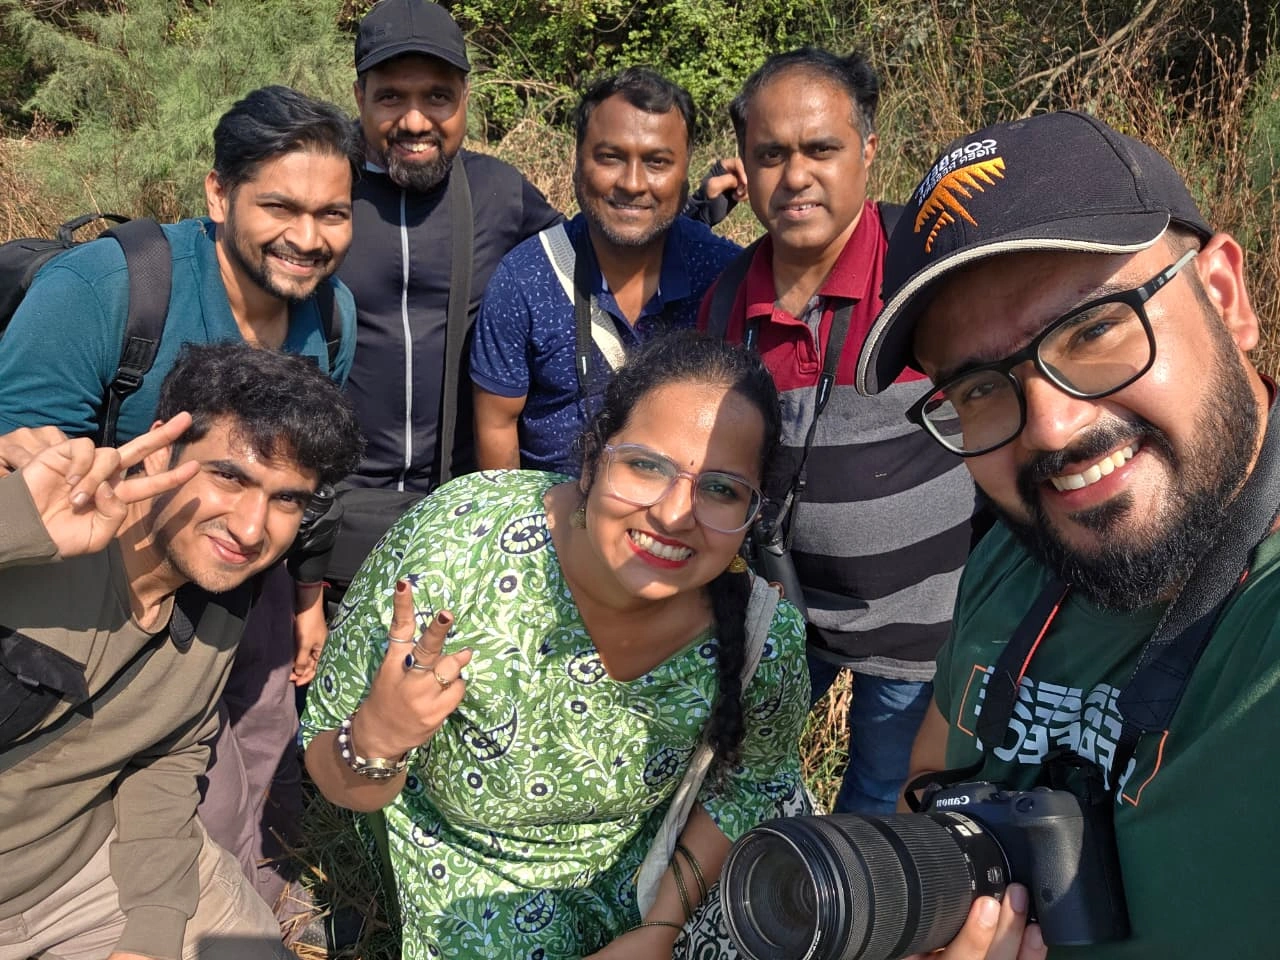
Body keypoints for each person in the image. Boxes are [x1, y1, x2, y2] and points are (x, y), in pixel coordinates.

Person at [857, 110, 1278, 958]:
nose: (1050, 427)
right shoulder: (1010, 562)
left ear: (1224, 296)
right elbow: (928, 778)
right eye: (979, 387)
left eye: (1092, 330)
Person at [302, 332, 811, 959]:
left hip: (650, 871)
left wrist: (659, 929)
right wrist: (377, 739)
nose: (675, 514)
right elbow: (328, 764)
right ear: (593, 460)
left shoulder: (763, 637)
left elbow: (753, 783)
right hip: (469, 866)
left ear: (753, 512)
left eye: (721, 489)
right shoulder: (456, 548)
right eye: (646, 466)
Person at [0, 85, 360, 926]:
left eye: (333, 214)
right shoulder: (108, 290)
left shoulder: (331, 316)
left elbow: (304, 470)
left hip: (243, 572)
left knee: (262, 738)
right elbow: (21, 452)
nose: (309, 238)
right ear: (219, 194)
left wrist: (306, 595)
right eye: (280, 207)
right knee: (154, 766)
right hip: (99, 581)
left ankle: (258, 899)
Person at [0, 343, 363, 960]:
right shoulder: (37, 531)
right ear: (159, 451)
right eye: (229, 477)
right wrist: (10, 527)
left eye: (287, 499)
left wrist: (151, 933)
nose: (251, 529)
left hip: (79, 874)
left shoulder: (223, 596)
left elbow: (165, 759)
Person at [698, 48, 979, 815]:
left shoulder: (927, 268)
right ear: (745, 164)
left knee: (883, 798)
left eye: (820, 149)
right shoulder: (725, 300)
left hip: (924, 630)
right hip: (781, 620)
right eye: (770, 155)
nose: (796, 176)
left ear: (868, 151)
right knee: (742, 781)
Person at [469, 68, 740, 474]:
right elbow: (497, 427)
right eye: (610, 157)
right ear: (577, 166)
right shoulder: (524, 279)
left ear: (685, 176)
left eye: (657, 162)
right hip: (553, 508)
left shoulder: (723, 275)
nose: (632, 183)